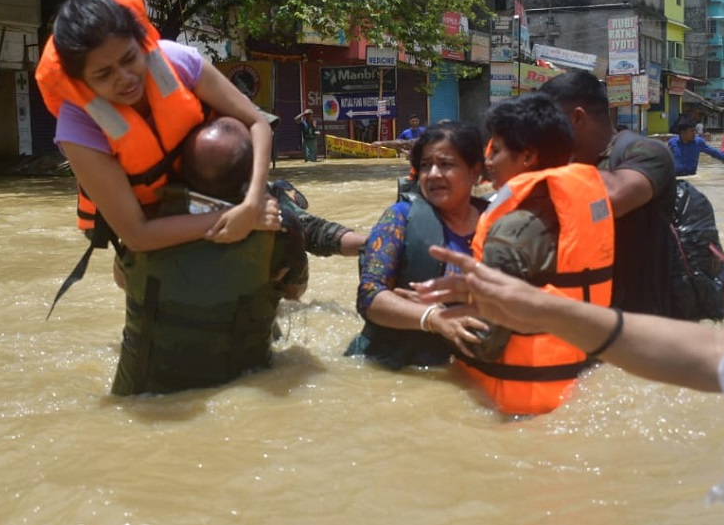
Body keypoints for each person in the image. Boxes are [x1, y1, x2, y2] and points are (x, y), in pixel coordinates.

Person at [418, 8, 724, 524]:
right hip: (614, 335)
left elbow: (609, 199)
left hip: (651, 317)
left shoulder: (641, 153)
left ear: (571, 121)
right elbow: (722, 354)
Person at [36, 0, 278, 254]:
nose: (125, 78)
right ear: (81, 81)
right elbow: (137, 235)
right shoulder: (78, 125)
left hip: (207, 180)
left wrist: (253, 202)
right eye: (104, 74)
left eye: (129, 58)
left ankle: (312, 231)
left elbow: (257, 123)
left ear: (141, 43)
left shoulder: (175, 60)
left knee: (281, 254)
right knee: (146, 278)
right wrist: (240, 217)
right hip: (147, 215)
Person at [110, 116, 309, 395]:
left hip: (142, 393)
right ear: (253, 174)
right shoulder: (280, 225)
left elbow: (122, 279)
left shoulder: (144, 220)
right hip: (240, 387)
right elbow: (295, 290)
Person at [461, 93, 614, 415]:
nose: (488, 162)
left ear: (528, 157)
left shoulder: (511, 231)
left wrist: (434, 323)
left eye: (497, 151)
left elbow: (488, 342)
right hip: (583, 382)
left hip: (521, 407)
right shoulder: (591, 206)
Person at [345, 120, 490, 370]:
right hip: (396, 367)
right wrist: (433, 318)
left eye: (446, 164)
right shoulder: (400, 217)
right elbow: (370, 296)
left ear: (475, 171)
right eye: (425, 165)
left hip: (470, 370)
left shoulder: (498, 220)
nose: (433, 174)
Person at [538, 70, 676, 317]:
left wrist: (542, 166)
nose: (543, 131)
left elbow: (613, 198)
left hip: (641, 323)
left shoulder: (646, 151)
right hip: (584, 313)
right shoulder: (566, 163)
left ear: (577, 118)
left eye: (549, 122)